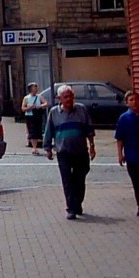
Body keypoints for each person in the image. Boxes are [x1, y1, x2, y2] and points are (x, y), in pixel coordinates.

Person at [43, 84, 96, 220]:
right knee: (67, 181)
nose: (69, 99)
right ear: (59, 98)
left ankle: (77, 203)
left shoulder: (81, 110)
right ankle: (71, 208)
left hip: (80, 151)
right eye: (66, 97)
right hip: (63, 152)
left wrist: (92, 146)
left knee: (79, 179)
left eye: (71, 96)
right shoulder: (54, 112)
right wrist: (48, 148)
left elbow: (89, 128)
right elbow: (49, 131)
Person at [114, 90, 139, 217]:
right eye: (131, 100)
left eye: (136, 99)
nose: (135, 102)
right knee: (137, 182)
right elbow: (120, 138)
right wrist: (120, 154)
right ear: (127, 103)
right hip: (132, 156)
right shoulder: (124, 118)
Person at [21, 82, 47, 154]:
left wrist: (40, 106)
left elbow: (45, 103)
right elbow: (23, 108)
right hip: (30, 116)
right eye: (35, 87)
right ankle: (34, 147)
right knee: (32, 131)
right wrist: (29, 107)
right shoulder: (26, 98)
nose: (36, 89)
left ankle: (36, 146)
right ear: (31, 89)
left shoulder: (39, 96)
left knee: (37, 130)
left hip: (37, 115)